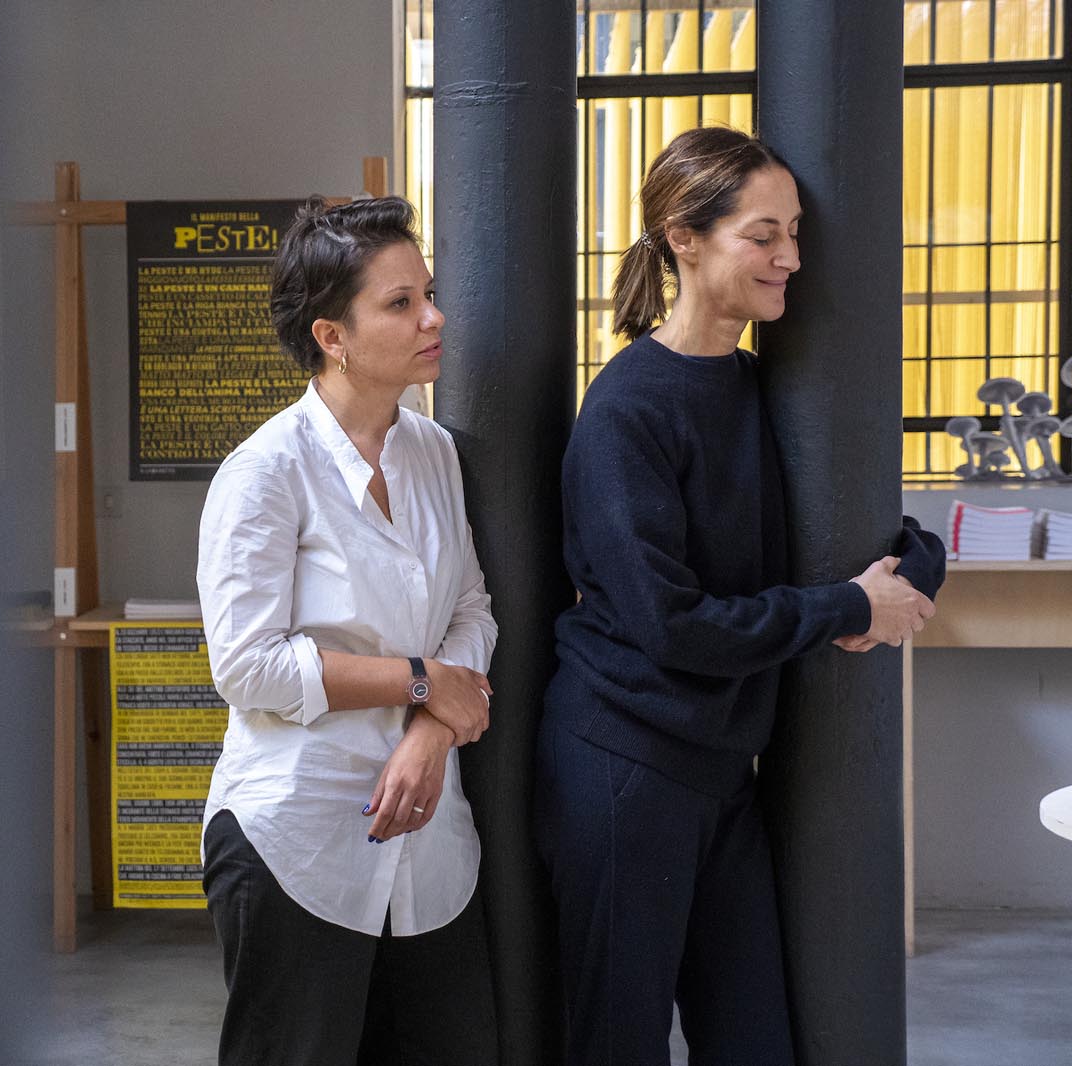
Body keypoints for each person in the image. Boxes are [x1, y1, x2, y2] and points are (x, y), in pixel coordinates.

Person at [535, 127, 947, 1065]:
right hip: (624, 765)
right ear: (685, 238)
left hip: (722, 773)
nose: (790, 257)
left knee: (757, 1042)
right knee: (617, 1047)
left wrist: (912, 573)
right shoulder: (626, 411)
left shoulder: (766, 388)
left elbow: (879, 535)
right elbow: (672, 625)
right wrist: (850, 608)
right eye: (763, 235)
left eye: (794, 232)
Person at [196, 195, 499, 1066]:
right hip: (295, 839)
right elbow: (248, 666)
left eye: (428, 294)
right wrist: (420, 680)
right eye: (401, 303)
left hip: (430, 846)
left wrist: (432, 730)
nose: (434, 317)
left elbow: (472, 608)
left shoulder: (434, 451)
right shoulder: (265, 472)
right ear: (332, 336)